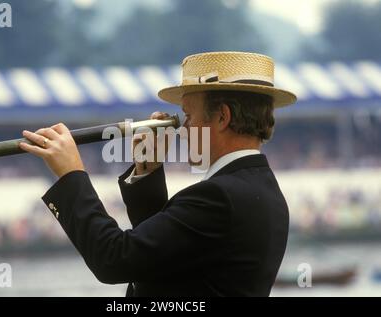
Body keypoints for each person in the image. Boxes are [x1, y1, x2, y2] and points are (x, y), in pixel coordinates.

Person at [19, 51, 297, 296]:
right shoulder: (262, 190)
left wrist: (71, 175)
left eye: (188, 116)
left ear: (222, 117)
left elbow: (114, 259)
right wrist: (147, 170)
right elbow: (159, 261)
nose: (183, 129)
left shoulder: (219, 195)